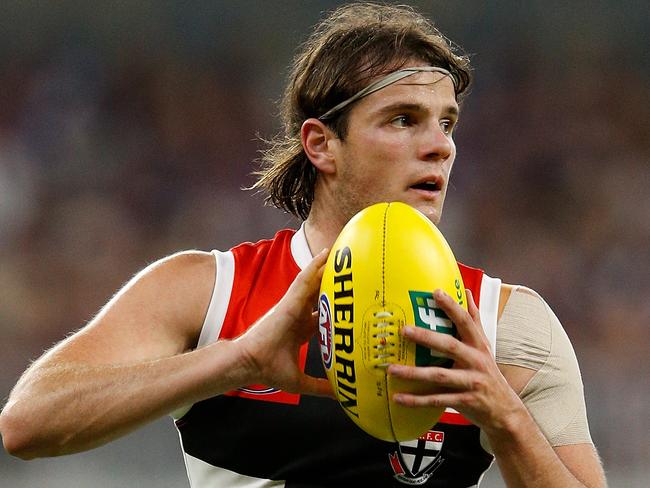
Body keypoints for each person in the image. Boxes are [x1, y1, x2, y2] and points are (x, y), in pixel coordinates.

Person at [0, 3, 606, 487]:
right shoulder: (207, 293)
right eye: (403, 119)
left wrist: (504, 417)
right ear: (321, 144)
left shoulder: (508, 324)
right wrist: (233, 364)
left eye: (446, 122)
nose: (441, 145)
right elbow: (27, 424)